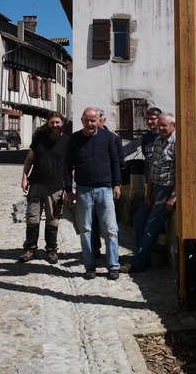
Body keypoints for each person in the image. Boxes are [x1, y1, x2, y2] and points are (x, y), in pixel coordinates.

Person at [65, 107, 122, 280]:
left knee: (111, 230)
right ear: (82, 120)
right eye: (87, 120)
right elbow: (67, 166)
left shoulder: (109, 138)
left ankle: (113, 266)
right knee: (86, 230)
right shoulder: (74, 139)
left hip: (105, 189)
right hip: (83, 190)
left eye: (93, 120)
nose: (90, 124)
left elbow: (115, 162)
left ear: (99, 121)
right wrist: (69, 190)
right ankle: (90, 267)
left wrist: (117, 184)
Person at [121, 112, 177, 274]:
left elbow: (183, 172)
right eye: (158, 125)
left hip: (167, 189)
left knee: (152, 225)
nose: (160, 128)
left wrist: (175, 196)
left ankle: (139, 261)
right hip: (155, 188)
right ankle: (143, 257)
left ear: (173, 126)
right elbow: (152, 167)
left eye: (163, 125)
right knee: (139, 219)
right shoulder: (158, 140)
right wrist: (148, 192)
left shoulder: (177, 143)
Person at [18, 112, 70, 265]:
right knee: (32, 218)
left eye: (57, 122)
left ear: (62, 124)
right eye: (52, 122)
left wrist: (68, 188)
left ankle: (51, 250)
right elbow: (29, 158)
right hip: (36, 184)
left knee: (52, 220)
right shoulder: (39, 138)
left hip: (56, 187)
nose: (54, 125)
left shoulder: (67, 141)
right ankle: (30, 249)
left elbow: (71, 167)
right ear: (48, 123)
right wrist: (24, 177)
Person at [90, 108, 125, 259]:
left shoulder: (113, 138)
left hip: (109, 185)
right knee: (92, 221)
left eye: (98, 118)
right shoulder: (85, 136)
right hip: (90, 186)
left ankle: (112, 253)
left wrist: (116, 183)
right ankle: (95, 250)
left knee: (111, 222)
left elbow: (119, 162)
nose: (96, 122)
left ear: (103, 120)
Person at [140, 107, 162, 181]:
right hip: (149, 178)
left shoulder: (164, 136)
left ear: (159, 119)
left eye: (153, 119)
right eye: (147, 119)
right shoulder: (146, 137)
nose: (149, 121)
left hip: (162, 178)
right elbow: (145, 153)